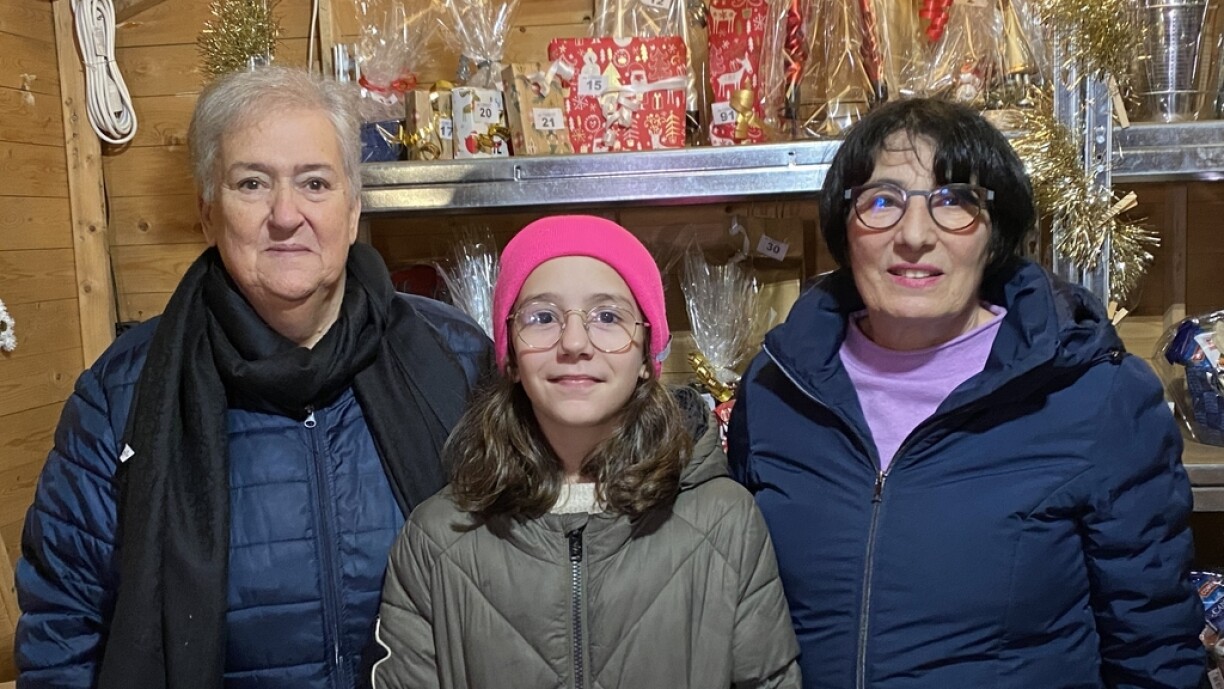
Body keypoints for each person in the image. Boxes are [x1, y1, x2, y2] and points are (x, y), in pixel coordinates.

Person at [14, 66, 491, 689]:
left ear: (352, 211)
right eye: (252, 183)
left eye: (315, 183)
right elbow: (65, 627)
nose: (285, 214)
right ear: (209, 214)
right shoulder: (121, 395)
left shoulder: (453, 356)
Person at [728, 98, 1205, 689]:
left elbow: (1154, 650)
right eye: (882, 201)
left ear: (995, 234)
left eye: (955, 202)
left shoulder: (1093, 395)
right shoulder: (777, 388)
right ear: (843, 230)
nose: (915, 235)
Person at [370, 215, 801, 689]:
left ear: (646, 356)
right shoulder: (436, 540)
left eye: (608, 317)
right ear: (511, 354)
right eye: (542, 317)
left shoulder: (725, 524)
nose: (574, 343)